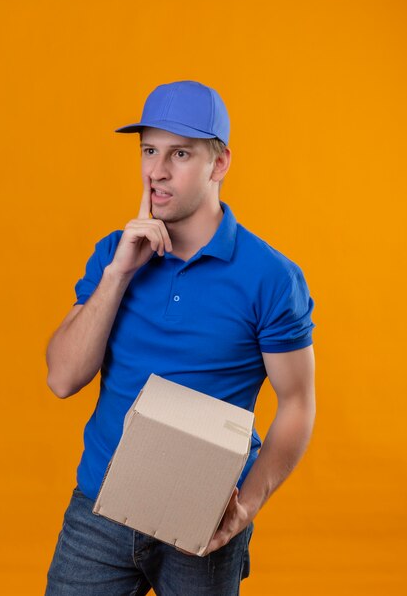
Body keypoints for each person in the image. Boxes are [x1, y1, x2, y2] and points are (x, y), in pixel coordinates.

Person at [45, 80, 316, 596]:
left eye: (181, 153)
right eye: (149, 150)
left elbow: (299, 403)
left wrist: (246, 506)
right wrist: (118, 274)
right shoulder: (113, 253)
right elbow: (62, 379)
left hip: (204, 518)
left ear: (219, 164)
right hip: (100, 508)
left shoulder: (271, 278)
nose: (156, 170)